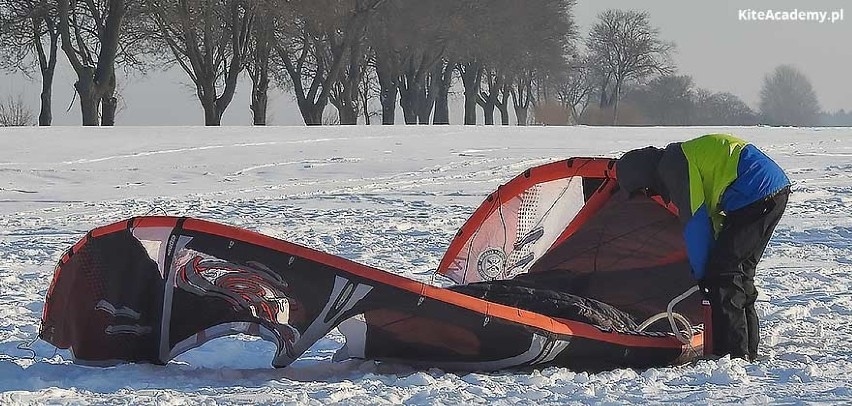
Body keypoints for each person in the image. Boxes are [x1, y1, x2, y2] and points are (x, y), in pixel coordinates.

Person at [616, 133, 790, 361]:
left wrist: (702, 273)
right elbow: (713, 220)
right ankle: (747, 350)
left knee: (723, 273)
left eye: (644, 191)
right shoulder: (680, 156)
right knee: (740, 272)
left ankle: (732, 354)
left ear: (643, 178)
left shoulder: (674, 166)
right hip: (768, 190)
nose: (649, 195)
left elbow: (695, 222)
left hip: (756, 192)